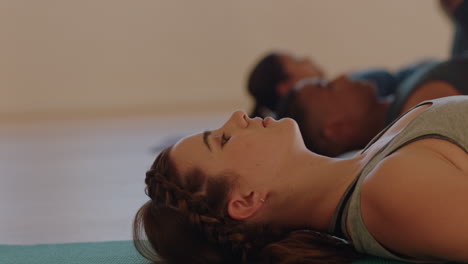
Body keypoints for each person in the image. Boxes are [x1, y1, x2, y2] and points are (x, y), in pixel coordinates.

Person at [133, 95, 468, 264]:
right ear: (247, 199)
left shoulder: (371, 158)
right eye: (223, 139)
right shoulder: (390, 192)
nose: (236, 117)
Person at [276, 0, 468, 157]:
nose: (343, 77)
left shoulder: (402, 100)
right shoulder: (422, 115)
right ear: (336, 128)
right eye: (329, 87)